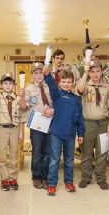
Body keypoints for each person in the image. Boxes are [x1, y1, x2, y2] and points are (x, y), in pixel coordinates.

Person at [43, 66, 84, 196]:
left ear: (72, 83)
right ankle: (51, 184)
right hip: (56, 133)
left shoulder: (76, 99)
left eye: (69, 82)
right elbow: (51, 85)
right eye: (64, 82)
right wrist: (48, 75)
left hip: (70, 134)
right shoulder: (57, 95)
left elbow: (79, 118)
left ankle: (69, 182)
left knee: (69, 160)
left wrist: (81, 133)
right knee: (54, 159)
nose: (66, 84)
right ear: (59, 82)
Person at [77, 60, 109, 190]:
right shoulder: (86, 85)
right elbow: (80, 90)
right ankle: (86, 176)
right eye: (92, 71)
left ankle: (101, 177)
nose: (95, 74)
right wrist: (85, 73)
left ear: (102, 71)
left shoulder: (108, 86)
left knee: (102, 152)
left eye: (97, 71)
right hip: (88, 124)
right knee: (86, 153)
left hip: (103, 124)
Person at [0, 73, 27, 191]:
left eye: (10, 83)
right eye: (5, 83)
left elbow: (21, 116)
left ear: (14, 85)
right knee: (2, 155)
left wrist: (20, 132)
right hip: (2, 129)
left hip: (15, 129)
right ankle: (4, 179)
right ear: (1, 85)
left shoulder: (18, 98)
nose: (8, 86)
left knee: (14, 155)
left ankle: (13, 178)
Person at [20, 63, 54, 189]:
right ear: (32, 75)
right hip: (36, 125)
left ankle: (45, 176)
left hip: (50, 123)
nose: (39, 75)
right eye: (36, 73)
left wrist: (53, 111)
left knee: (47, 152)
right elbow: (23, 107)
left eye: (41, 72)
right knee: (36, 152)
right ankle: (36, 176)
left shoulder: (50, 86)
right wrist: (22, 95)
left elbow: (57, 103)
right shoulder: (29, 89)